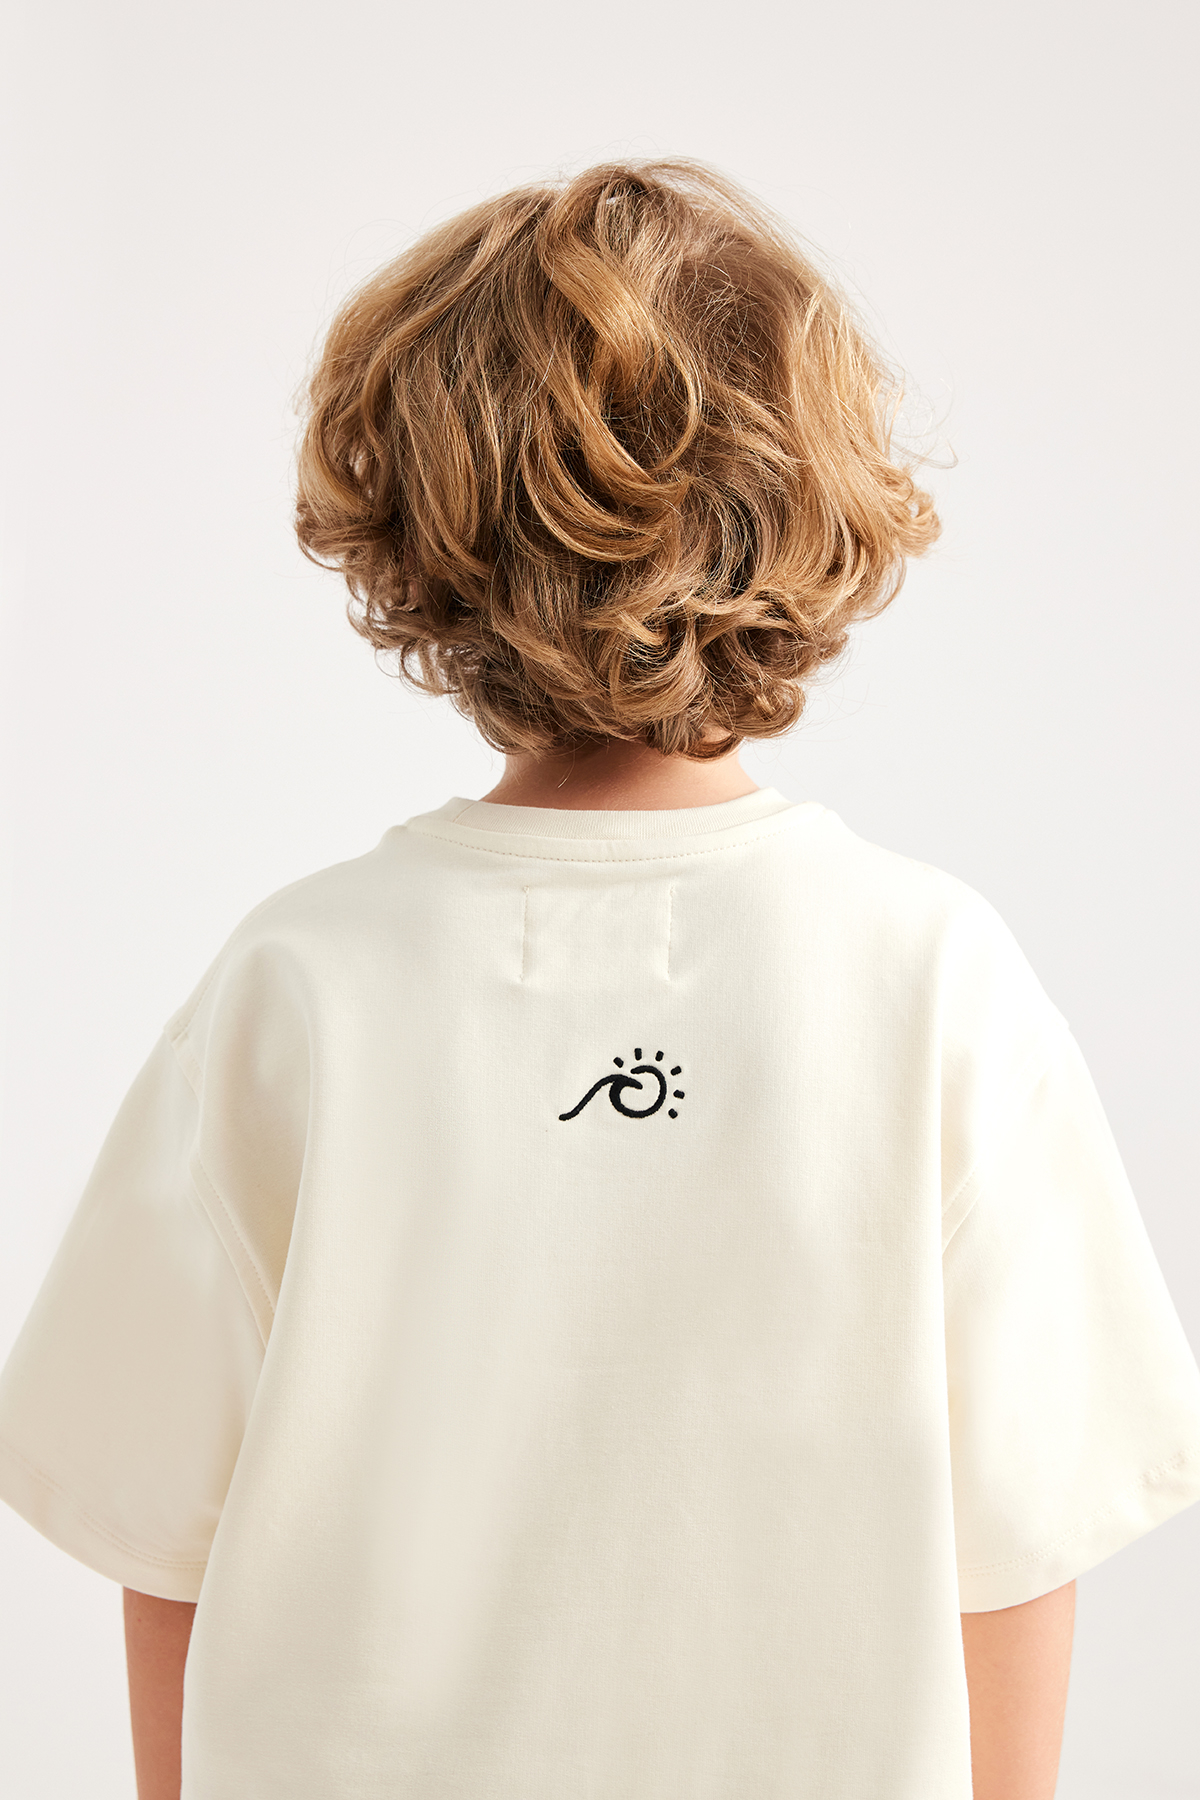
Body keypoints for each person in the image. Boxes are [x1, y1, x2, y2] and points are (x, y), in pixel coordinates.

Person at [1, 159, 1198, 1800]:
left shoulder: (300, 980)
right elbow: (1018, 1539)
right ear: (813, 509)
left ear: (412, 525)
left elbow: (166, 1539)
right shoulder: (929, 974)